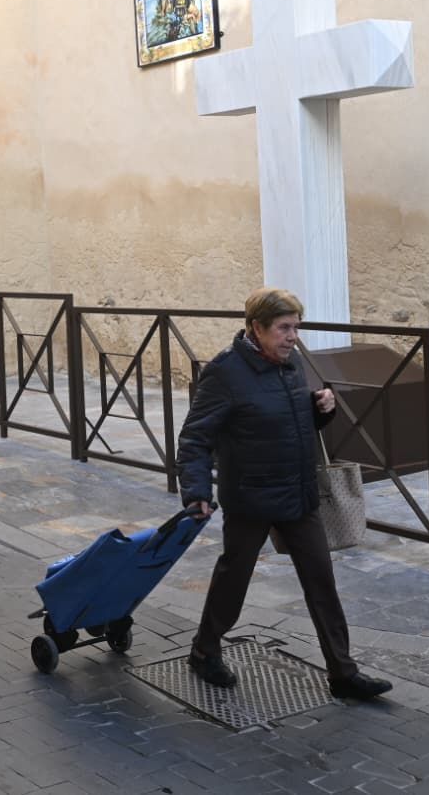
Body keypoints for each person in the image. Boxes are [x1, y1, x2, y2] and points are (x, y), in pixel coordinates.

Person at [175, 287, 393, 701]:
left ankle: (343, 673)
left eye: (296, 327)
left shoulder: (290, 364)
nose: (293, 336)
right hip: (250, 497)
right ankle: (205, 649)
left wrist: (319, 410)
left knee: (321, 582)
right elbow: (194, 438)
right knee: (233, 579)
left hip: (297, 494)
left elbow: (291, 423)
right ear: (256, 327)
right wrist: (196, 490)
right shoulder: (224, 373)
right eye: (284, 328)